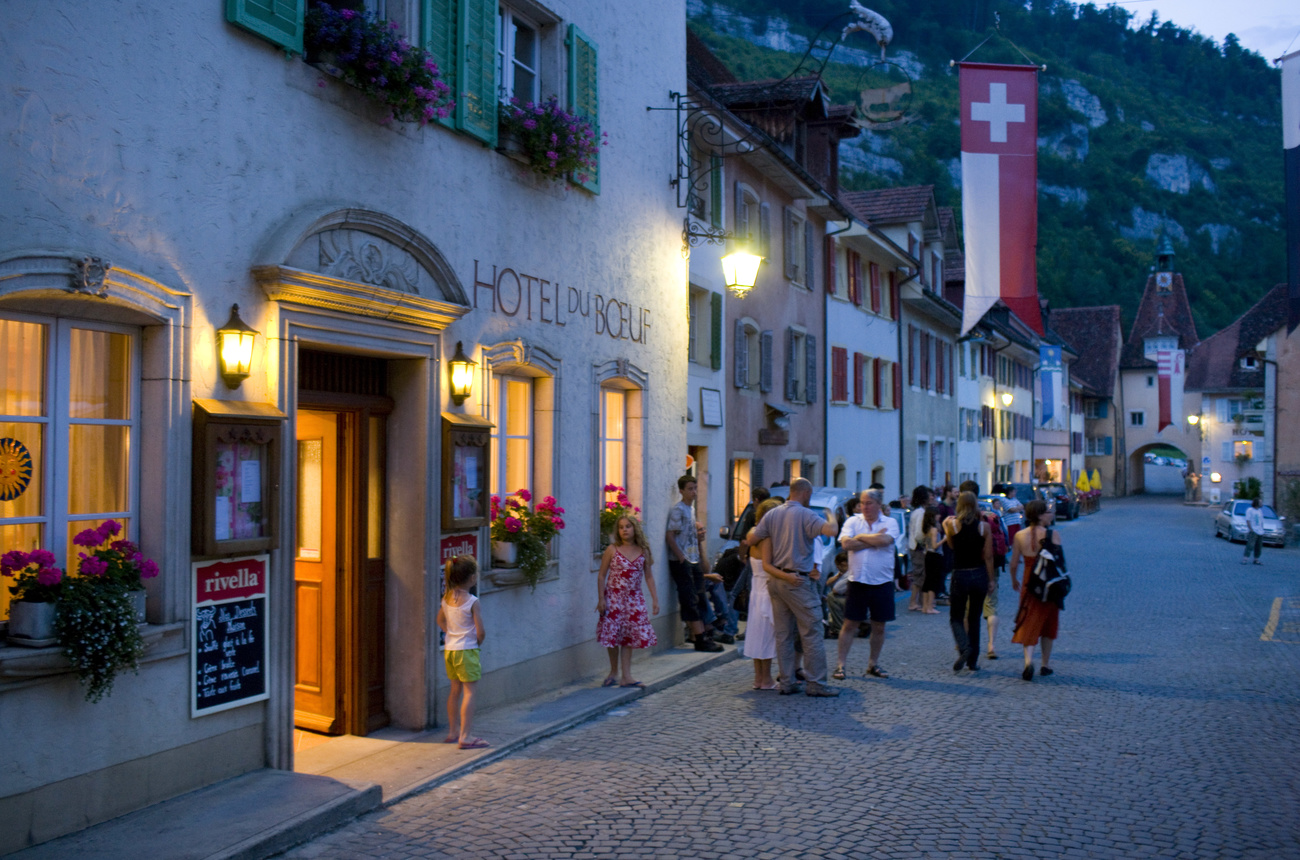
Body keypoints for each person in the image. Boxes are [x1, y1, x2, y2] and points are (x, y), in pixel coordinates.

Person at [741, 478, 840, 697]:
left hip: (776, 581)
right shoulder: (806, 514)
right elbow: (831, 530)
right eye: (810, 495)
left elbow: (753, 538)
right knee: (812, 631)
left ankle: (787, 682)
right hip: (797, 580)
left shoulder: (772, 514)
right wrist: (831, 514)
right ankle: (817, 684)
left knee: (783, 634)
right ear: (805, 493)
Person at [833, 490, 901, 681]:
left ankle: (873, 663)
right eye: (863, 503)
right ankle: (841, 665)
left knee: (879, 626)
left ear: (879, 504)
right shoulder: (852, 522)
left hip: (882, 582)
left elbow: (886, 540)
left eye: (869, 503)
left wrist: (860, 537)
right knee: (849, 624)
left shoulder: (890, 522)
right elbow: (846, 544)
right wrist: (871, 539)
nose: (865, 507)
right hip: (857, 581)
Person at [597, 515, 659, 688]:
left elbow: (648, 576)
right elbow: (601, 575)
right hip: (614, 598)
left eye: (628, 526)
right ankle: (613, 672)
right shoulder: (612, 549)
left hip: (633, 599)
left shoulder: (643, 550)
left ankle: (627, 676)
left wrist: (654, 599)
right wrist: (601, 598)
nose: (624, 530)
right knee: (612, 635)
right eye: (621, 527)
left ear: (635, 529)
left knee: (628, 637)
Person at [666, 476, 723, 652]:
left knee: (699, 595)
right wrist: (680, 556)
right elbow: (670, 535)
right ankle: (699, 638)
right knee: (689, 597)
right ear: (681, 490)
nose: (694, 492)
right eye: (690, 488)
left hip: (693, 559)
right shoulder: (678, 510)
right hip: (682, 561)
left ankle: (703, 633)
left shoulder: (690, 510)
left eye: (695, 488)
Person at [436, 555, 487, 749]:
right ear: (472, 577)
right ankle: (466, 736)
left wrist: (450, 633)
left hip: (451, 650)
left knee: (454, 691)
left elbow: (440, 620)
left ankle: (453, 731)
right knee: (470, 692)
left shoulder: (447, 598)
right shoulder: (472, 601)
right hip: (467, 649)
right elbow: (480, 630)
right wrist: (478, 642)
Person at [943, 491, 995, 673]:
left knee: (956, 617)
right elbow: (988, 556)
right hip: (979, 574)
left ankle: (964, 647)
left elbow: (951, 546)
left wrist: (944, 526)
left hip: (960, 575)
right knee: (974, 618)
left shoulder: (953, 525)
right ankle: (973, 661)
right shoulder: (984, 527)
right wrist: (991, 580)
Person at [1010, 499, 1062, 680]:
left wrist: (1013, 580)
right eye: (1047, 511)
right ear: (1040, 515)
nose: (1050, 514)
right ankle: (1045, 664)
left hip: (1028, 581)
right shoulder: (1052, 534)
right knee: (1048, 623)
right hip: (1048, 583)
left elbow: (1014, 562)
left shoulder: (1019, 535)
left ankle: (1028, 661)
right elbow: (1059, 561)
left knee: (1028, 619)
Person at [960, 479, 1007, 659]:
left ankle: (965, 644)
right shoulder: (992, 513)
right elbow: (1005, 540)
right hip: (990, 566)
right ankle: (991, 645)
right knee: (991, 605)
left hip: (968, 567)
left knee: (966, 608)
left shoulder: (960, 517)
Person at [743, 498, 783, 690]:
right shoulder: (766, 538)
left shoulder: (754, 534)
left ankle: (759, 678)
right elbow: (770, 565)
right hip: (765, 587)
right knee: (766, 635)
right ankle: (765, 679)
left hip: (756, 587)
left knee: (757, 633)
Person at [906, 485, 932, 611]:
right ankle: (913, 602)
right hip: (918, 548)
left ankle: (920, 601)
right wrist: (924, 543)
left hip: (914, 546)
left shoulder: (916, 511)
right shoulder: (920, 513)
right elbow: (919, 533)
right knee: (920, 575)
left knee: (921, 575)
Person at [919, 506, 945, 614]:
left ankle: (925, 606)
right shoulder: (934, 529)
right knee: (934, 582)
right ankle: (930, 606)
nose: (939, 516)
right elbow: (935, 545)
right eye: (937, 514)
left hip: (928, 555)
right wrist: (944, 540)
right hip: (935, 556)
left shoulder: (927, 528)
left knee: (928, 581)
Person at [824, 550, 851, 635]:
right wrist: (838, 575)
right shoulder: (842, 573)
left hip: (854, 601)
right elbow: (828, 582)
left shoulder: (850, 574)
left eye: (842, 566)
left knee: (831, 597)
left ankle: (838, 628)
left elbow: (836, 590)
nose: (839, 568)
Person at [1243, 497, 1266, 565]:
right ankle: (1245, 558)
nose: (1261, 504)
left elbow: (1261, 520)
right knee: (1250, 545)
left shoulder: (1260, 511)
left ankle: (1256, 559)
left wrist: (1262, 528)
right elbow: (1248, 520)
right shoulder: (1250, 510)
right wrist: (1251, 529)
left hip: (1260, 531)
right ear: (1257, 503)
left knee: (1258, 546)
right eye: (1260, 502)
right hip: (1253, 530)